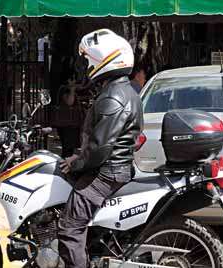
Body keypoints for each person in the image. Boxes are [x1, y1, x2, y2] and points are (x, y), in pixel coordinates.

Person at [57, 29, 143, 268]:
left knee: (69, 229)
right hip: (118, 168)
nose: (85, 66)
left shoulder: (113, 96)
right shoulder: (126, 90)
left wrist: (76, 162)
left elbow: (99, 149)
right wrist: (80, 155)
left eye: (87, 60)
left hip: (106, 173)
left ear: (102, 59)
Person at [51, 84, 83, 158]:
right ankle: (65, 166)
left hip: (70, 124)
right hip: (67, 125)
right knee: (67, 149)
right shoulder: (64, 89)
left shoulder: (64, 89)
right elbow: (69, 102)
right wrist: (72, 89)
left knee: (70, 149)